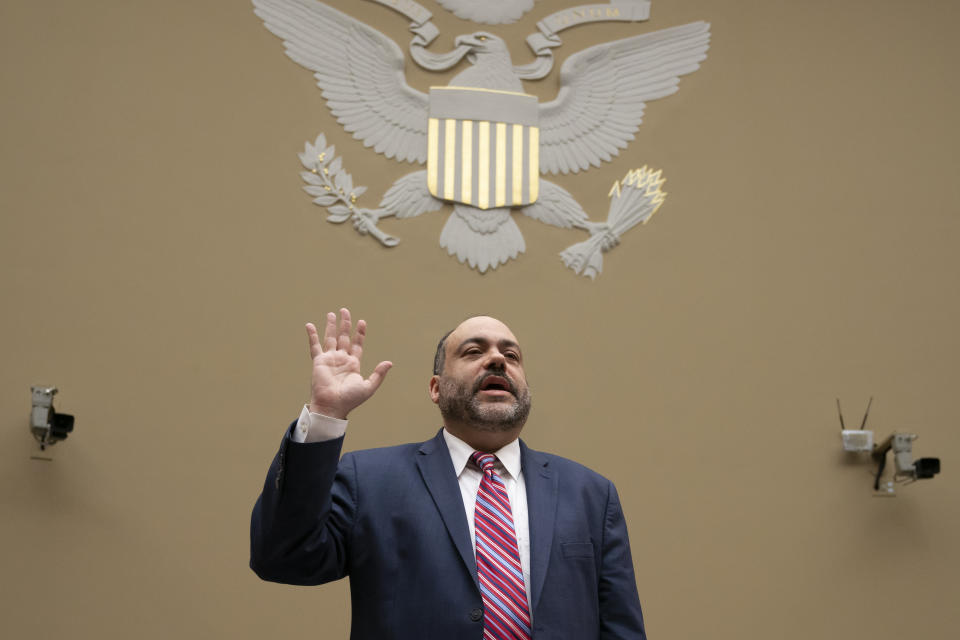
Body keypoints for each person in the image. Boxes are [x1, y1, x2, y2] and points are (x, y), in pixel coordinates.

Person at [250, 308, 647, 639]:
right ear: (436, 388)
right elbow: (283, 558)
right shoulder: (369, 480)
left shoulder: (590, 495)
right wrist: (325, 415)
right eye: (474, 351)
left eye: (512, 355)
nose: (497, 360)